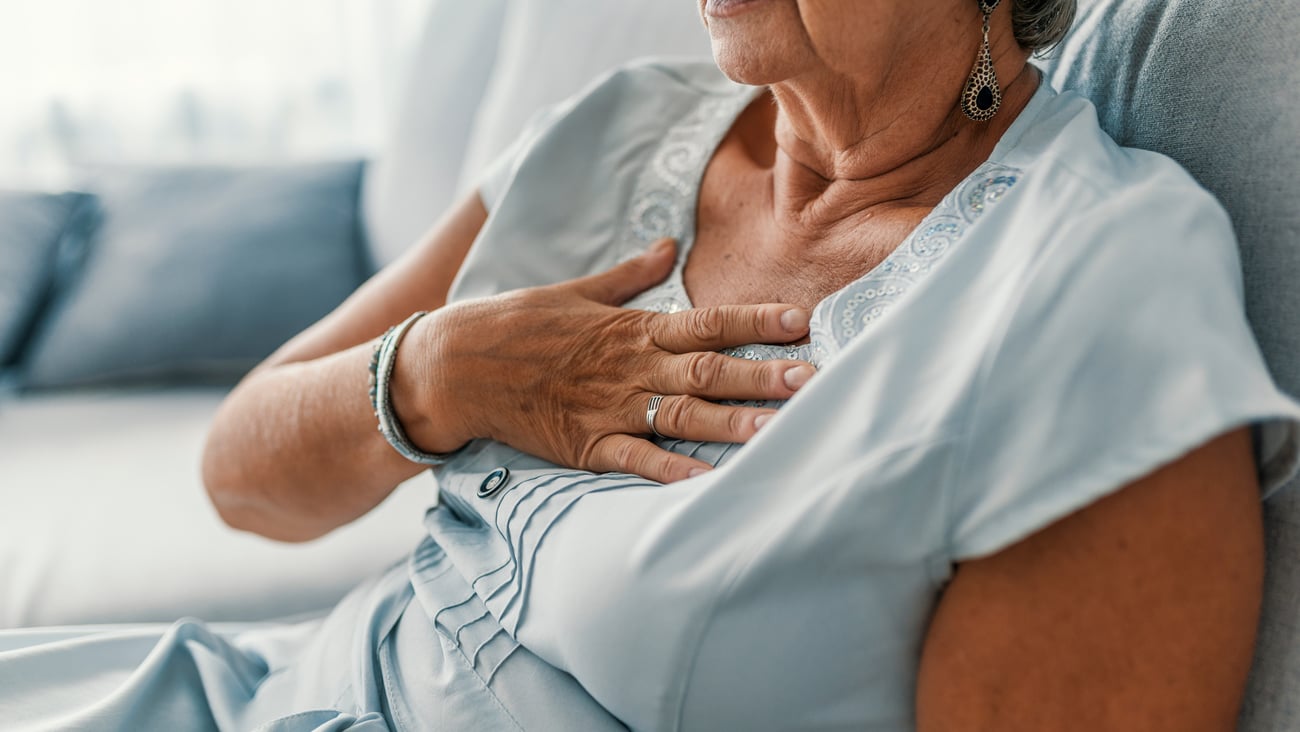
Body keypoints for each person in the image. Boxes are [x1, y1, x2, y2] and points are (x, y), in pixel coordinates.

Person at [4, 0, 1299, 729]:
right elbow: (243, 479)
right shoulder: (622, 123)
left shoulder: (1091, 286)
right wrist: (439, 372)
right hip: (251, 697)